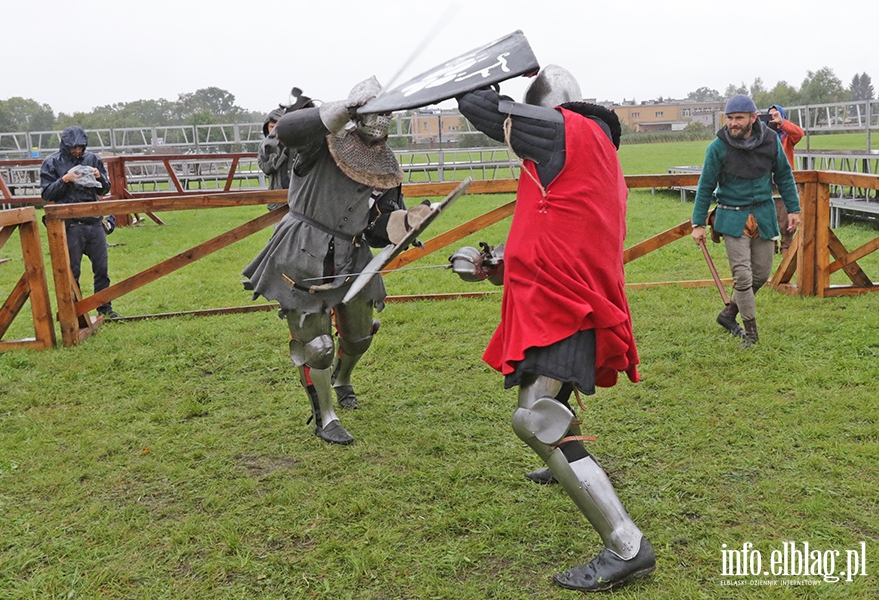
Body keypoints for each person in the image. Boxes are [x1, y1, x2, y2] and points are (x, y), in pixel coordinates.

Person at [453, 65, 655, 592]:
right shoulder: (566, 154)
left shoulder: (573, 130)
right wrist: (500, 264)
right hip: (556, 296)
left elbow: (479, 107)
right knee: (543, 415)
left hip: (568, 302)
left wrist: (470, 75)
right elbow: (557, 225)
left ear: (546, 113)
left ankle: (626, 544)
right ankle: (560, 460)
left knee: (534, 419)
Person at [243, 77, 427, 445]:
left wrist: (404, 224)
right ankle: (324, 417)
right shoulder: (321, 143)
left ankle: (343, 379)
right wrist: (341, 107)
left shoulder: (385, 166)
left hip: (353, 253)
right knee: (318, 346)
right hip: (302, 247)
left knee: (359, 337)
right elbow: (288, 130)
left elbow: (379, 223)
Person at [691, 95, 800, 349]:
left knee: (760, 275)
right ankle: (750, 334)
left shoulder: (770, 140)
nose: (733, 123)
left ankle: (729, 315)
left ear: (753, 117)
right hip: (732, 215)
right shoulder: (717, 147)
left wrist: (793, 209)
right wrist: (698, 223)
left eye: (739, 117)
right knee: (742, 277)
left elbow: (784, 175)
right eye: (729, 118)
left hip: (763, 214)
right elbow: (705, 185)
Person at [40, 126, 120, 319]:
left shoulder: (93, 159)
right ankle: (74, 310)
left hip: (94, 222)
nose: (77, 151)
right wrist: (65, 180)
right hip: (70, 225)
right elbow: (46, 194)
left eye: (80, 147)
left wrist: (100, 178)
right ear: (65, 145)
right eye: (73, 147)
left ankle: (104, 308)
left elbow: (104, 190)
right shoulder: (51, 162)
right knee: (72, 270)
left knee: (101, 268)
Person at [766, 104, 804, 255]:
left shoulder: (787, 137)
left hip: (783, 181)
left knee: (785, 215)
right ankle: (770, 246)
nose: (772, 119)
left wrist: (782, 123)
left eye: (775, 115)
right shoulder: (762, 136)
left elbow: (799, 133)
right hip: (767, 181)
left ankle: (786, 246)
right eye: (770, 116)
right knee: (768, 214)